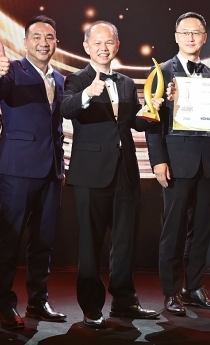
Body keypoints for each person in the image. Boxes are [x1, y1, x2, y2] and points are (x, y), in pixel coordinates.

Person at [61, 21, 162, 329]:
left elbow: (134, 123)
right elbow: (66, 109)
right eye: (98, 43)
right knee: (90, 244)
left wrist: (152, 109)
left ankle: (124, 301)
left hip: (125, 172)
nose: (104, 48)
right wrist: (87, 94)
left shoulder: (126, 82)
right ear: (86, 47)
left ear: (117, 46)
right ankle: (91, 307)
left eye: (109, 43)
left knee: (124, 242)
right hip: (90, 174)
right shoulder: (76, 79)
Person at [146, 12, 210, 317]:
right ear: (176, 37)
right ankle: (171, 292)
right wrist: (158, 161)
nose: (191, 38)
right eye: (185, 33)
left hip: (207, 165)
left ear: (204, 37)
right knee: (174, 230)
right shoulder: (160, 73)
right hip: (175, 164)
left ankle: (193, 288)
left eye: (196, 33)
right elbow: (152, 122)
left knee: (202, 229)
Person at [0, 15, 67, 330]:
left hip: (51, 170)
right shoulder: (12, 71)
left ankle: (38, 300)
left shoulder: (60, 78)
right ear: (25, 42)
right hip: (17, 169)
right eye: (37, 37)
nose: (43, 43)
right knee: (11, 238)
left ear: (56, 42)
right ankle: (6, 305)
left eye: (49, 37)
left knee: (43, 240)